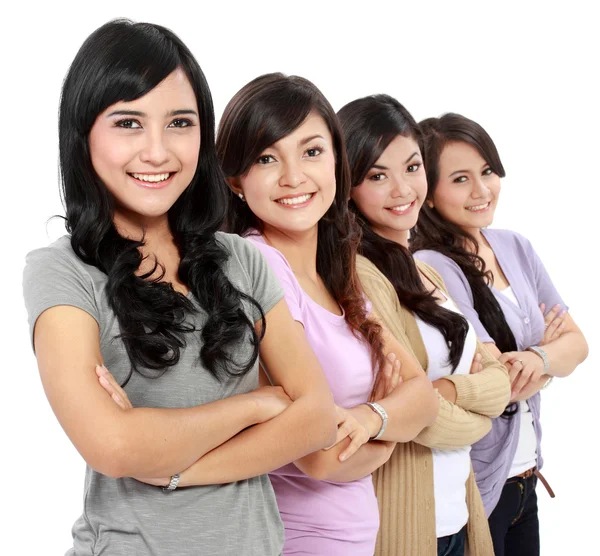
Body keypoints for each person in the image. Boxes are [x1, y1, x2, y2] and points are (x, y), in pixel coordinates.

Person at [22, 20, 337, 556]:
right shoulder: (62, 271)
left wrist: (173, 465)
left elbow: (317, 417)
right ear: (83, 134)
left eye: (180, 123)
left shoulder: (240, 258)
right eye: (128, 123)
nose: (158, 151)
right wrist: (255, 405)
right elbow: (113, 445)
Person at [203, 73, 437, 554]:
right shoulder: (257, 264)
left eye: (311, 152)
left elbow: (425, 400)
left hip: (351, 538)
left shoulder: (336, 270)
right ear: (236, 180)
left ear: (336, 160)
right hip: (295, 539)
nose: (294, 177)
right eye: (267, 158)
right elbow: (321, 458)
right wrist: (391, 427)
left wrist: (369, 418)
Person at [339, 94, 511, 556]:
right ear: (348, 185)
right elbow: (416, 419)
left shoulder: (427, 272)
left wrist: (449, 393)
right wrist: (472, 406)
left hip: (458, 511)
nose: (402, 189)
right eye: (378, 175)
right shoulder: (359, 276)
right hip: (410, 524)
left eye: (412, 167)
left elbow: (499, 378)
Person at [410, 113, 589, 556]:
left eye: (487, 171)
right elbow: (495, 381)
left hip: (528, 478)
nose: (481, 190)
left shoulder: (514, 246)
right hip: (480, 481)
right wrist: (545, 353)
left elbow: (579, 344)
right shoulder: (434, 265)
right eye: (460, 179)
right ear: (428, 194)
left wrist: (537, 360)